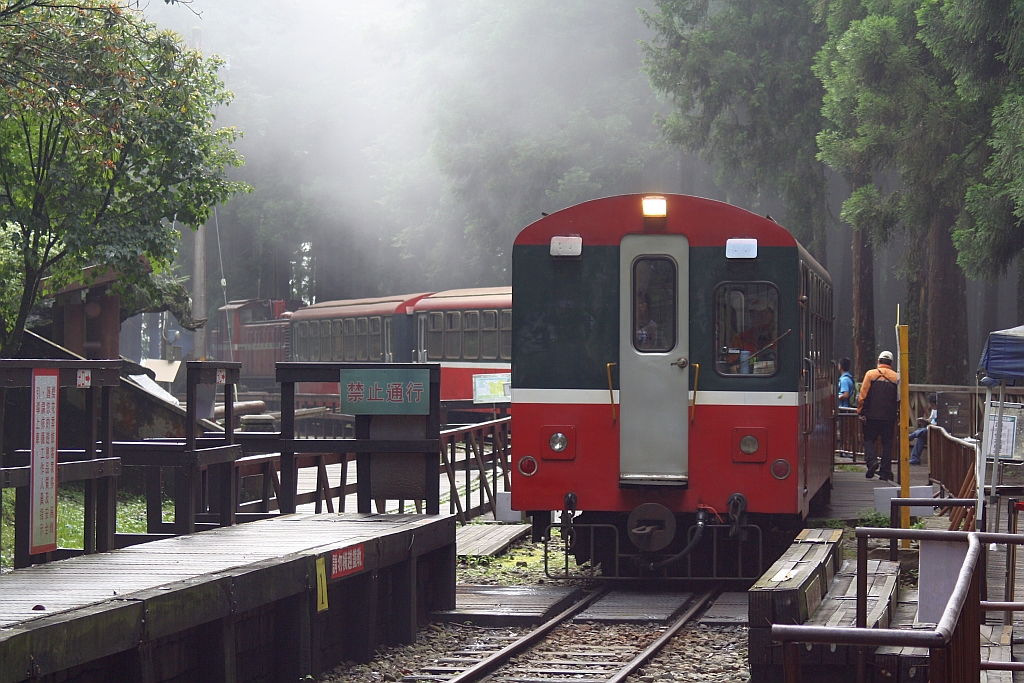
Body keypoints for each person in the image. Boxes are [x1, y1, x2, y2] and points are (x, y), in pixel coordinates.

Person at [858, 350, 900, 481]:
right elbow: (900, 399)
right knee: (887, 444)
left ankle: (872, 462)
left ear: (879, 361)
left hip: (872, 415)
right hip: (889, 417)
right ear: (891, 363)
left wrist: (860, 411)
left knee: (869, 440)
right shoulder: (897, 378)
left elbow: (863, 395)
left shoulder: (870, 374)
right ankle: (885, 472)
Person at [729, 297, 776, 372]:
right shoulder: (741, 338)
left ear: (771, 315)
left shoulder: (780, 337)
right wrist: (735, 365)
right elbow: (731, 360)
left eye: (761, 313)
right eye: (753, 314)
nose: (756, 317)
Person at [908, 393, 938, 465]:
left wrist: (930, 424)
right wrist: (924, 421)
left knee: (923, 432)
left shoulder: (942, 411)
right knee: (921, 436)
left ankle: (912, 435)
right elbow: (930, 419)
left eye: (933, 405)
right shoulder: (934, 410)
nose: (932, 407)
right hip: (929, 428)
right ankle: (915, 458)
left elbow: (939, 424)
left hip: (935, 430)